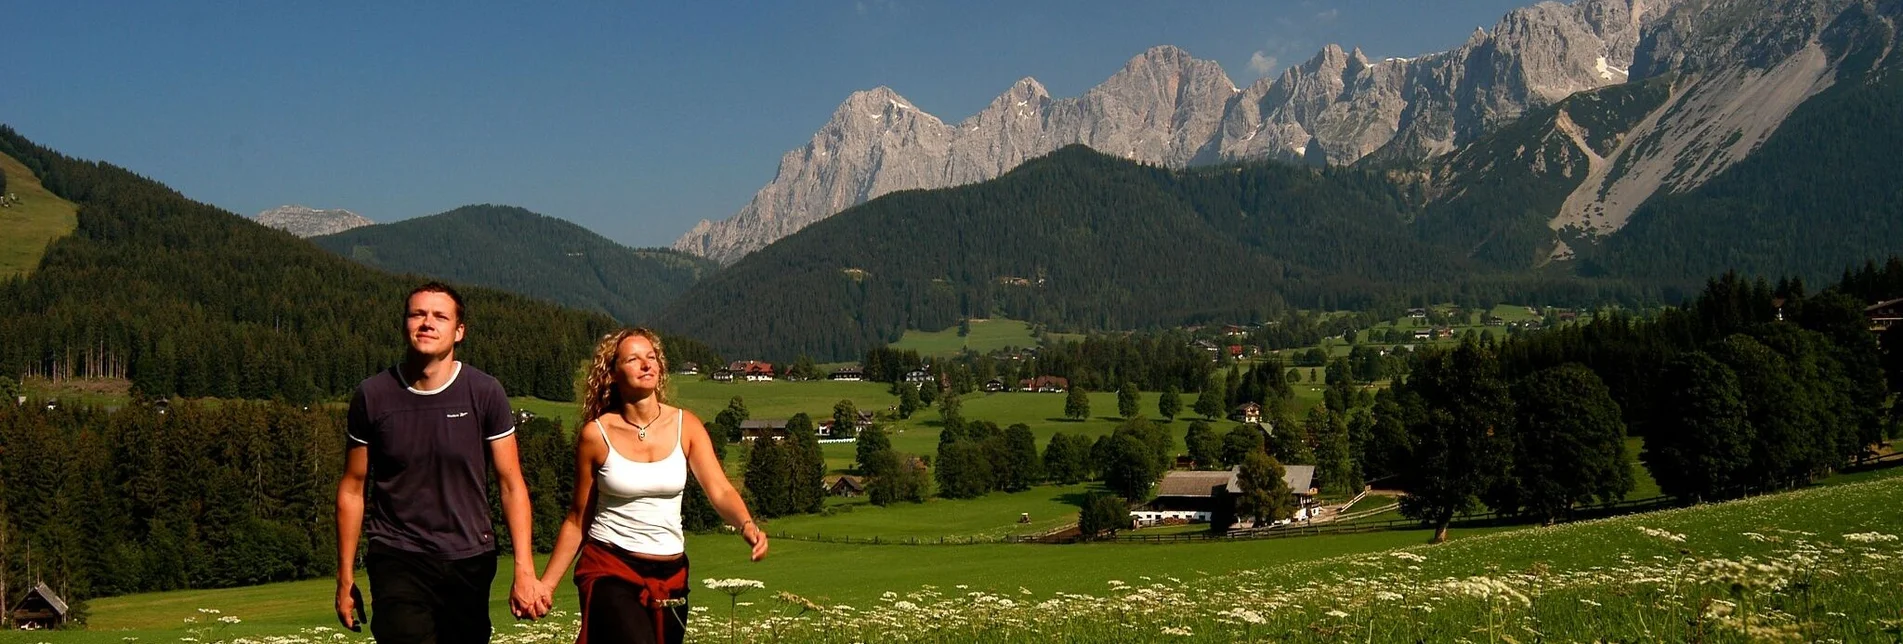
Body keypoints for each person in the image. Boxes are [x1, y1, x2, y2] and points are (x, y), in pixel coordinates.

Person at [335, 282, 549, 642]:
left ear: (459, 331)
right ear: (404, 324)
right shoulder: (373, 396)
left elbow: (511, 485)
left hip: (469, 557)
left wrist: (524, 569)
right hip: (397, 553)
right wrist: (344, 577)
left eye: (440, 316)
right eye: (417, 314)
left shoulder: (484, 392)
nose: (427, 323)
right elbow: (353, 488)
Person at [538, 328, 767, 644]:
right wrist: (546, 586)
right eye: (633, 359)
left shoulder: (687, 426)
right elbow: (579, 519)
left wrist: (746, 523)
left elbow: (720, 489)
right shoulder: (596, 435)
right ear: (612, 375)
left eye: (651, 357)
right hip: (611, 568)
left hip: (672, 575)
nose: (646, 365)